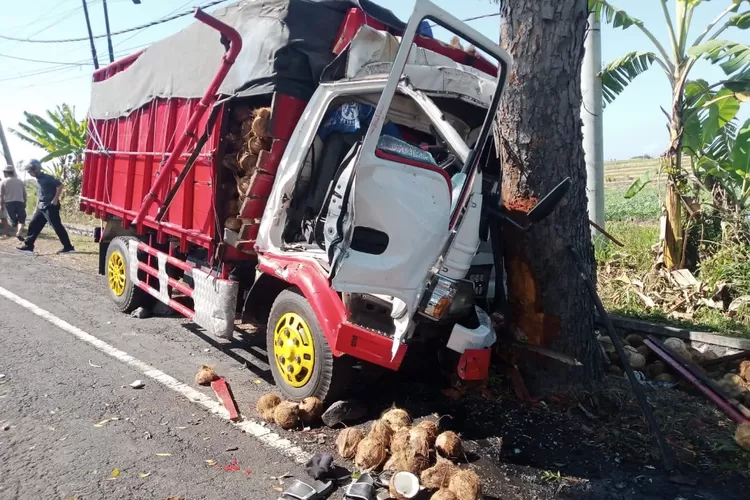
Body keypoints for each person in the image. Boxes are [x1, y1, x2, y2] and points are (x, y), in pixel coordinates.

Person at [17, 159, 75, 254]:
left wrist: (55, 199)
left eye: (30, 170)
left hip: (50, 206)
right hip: (42, 206)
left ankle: (68, 247)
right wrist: (36, 208)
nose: (29, 173)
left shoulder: (47, 178)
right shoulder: (38, 180)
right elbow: (40, 195)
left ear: (35, 169)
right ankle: (28, 246)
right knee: (33, 225)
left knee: (57, 227)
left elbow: (60, 185)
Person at [0, 164, 28, 241]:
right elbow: (24, 193)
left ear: (6, 172)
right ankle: (19, 232)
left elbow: (1, 195)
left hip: (9, 203)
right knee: (21, 219)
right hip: (20, 202)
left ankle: (17, 233)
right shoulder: (20, 181)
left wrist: (1, 205)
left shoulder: (3, 181)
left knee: (13, 220)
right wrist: (25, 202)